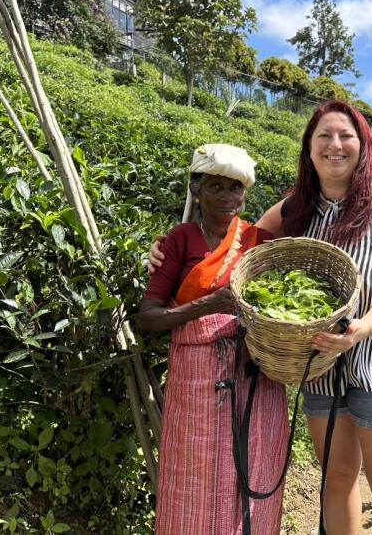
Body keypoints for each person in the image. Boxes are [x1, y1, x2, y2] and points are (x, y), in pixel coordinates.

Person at [149, 101, 372, 533]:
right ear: (309, 149)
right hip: (317, 363)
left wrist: (360, 329)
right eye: (324, 137)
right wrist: (164, 253)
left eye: (345, 136)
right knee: (336, 477)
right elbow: (236, 247)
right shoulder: (295, 207)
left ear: (363, 145)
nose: (335, 145)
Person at [132, 144, 288, 535]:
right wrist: (209, 305)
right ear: (195, 190)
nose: (226, 197)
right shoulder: (179, 240)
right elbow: (147, 317)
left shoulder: (259, 241)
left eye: (235, 188)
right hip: (196, 377)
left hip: (255, 374)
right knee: (195, 469)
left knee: (254, 462)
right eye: (215, 186)